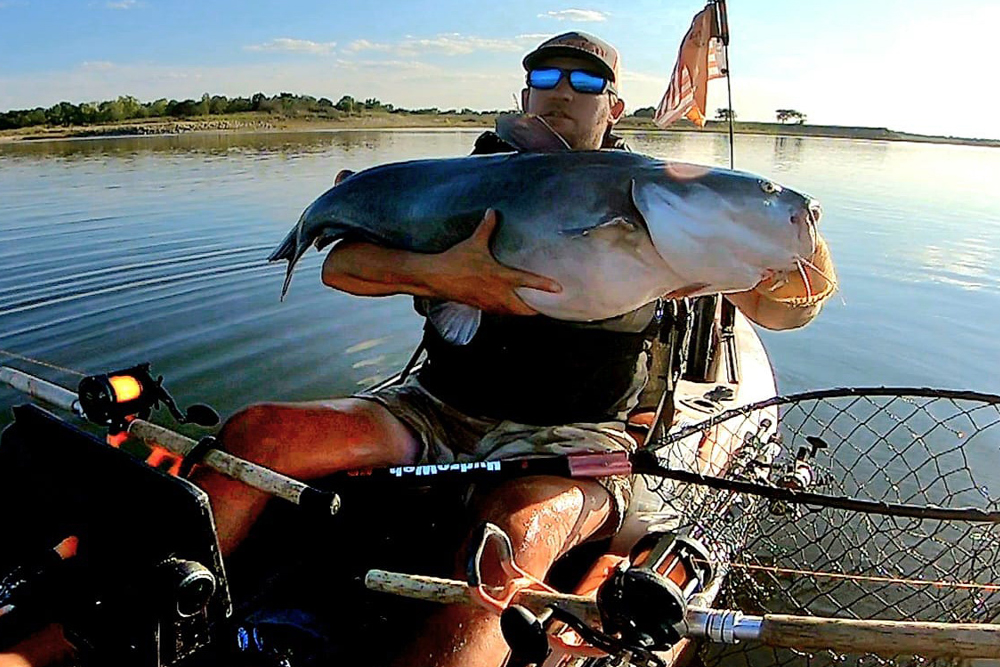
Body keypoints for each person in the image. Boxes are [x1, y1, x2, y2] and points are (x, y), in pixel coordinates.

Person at [0, 31, 835, 667]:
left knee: (509, 541)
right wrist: (456, 274)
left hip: (575, 440)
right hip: (437, 404)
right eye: (545, 75)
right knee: (260, 434)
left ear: (615, 107)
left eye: (587, 81)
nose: (562, 91)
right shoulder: (478, 173)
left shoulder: (666, 203)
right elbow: (349, 267)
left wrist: (804, 236)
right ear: (523, 92)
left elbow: (788, 308)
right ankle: (97, 635)